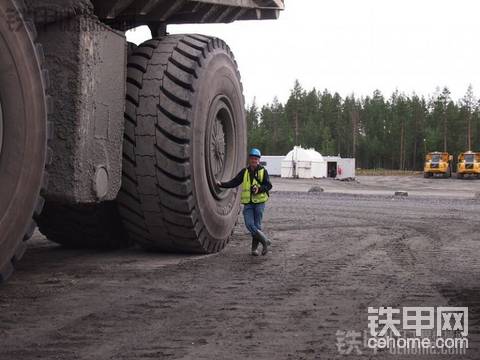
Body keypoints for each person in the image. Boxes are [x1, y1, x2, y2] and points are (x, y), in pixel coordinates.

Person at [217, 148, 273, 256]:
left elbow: (269, 185)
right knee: (249, 224)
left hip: (259, 203)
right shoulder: (245, 172)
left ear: (259, 160)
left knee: (257, 226)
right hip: (248, 203)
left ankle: (254, 249)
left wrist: (259, 189)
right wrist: (221, 184)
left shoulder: (263, 171)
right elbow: (234, 182)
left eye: (256, 159)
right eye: (252, 158)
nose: (254, 160)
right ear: (249, 159)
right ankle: (265, 241)